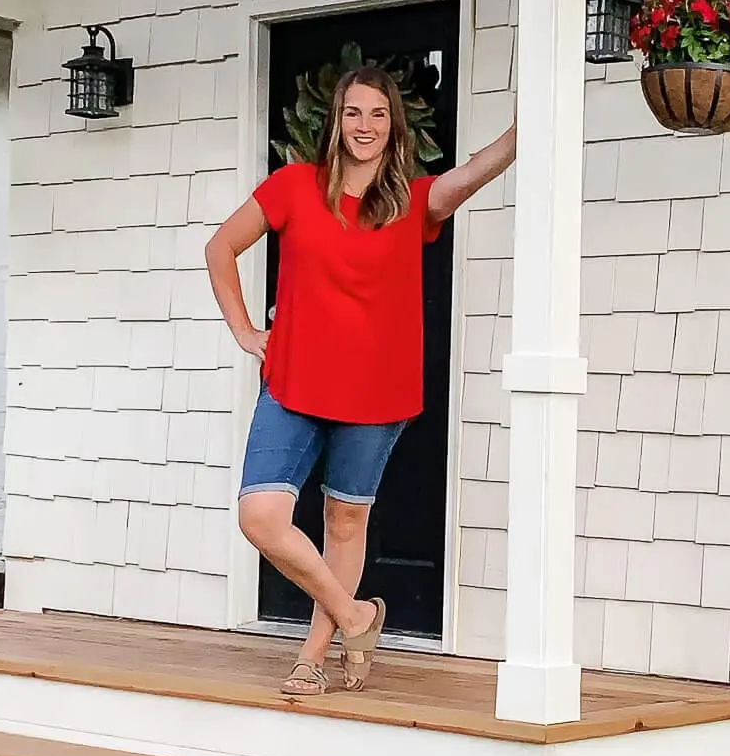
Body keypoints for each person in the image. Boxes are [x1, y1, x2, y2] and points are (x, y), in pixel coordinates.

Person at [205, 63, 516, 697]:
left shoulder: (412, 202)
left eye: (377, 113)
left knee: (344, 523)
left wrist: (537, 113)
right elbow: (220, 248)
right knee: (260, 515)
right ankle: (357, 617)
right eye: (353, 112)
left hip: (376, 393)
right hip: (293, 380)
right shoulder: (294, 187)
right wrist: (244, 330)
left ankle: (314, 655)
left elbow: (482, 166)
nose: (364, 125)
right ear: (335, 121)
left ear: (393, 124)